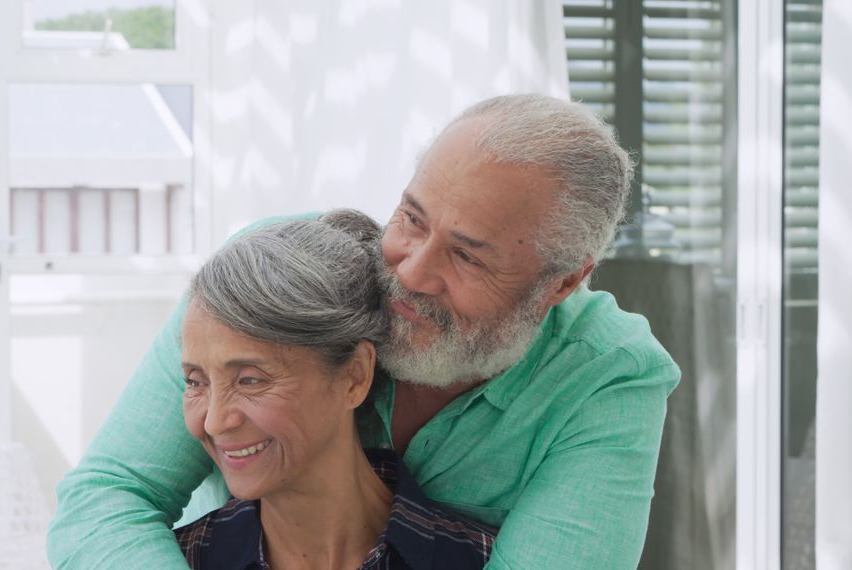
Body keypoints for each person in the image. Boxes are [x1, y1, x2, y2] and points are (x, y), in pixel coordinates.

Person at [47, 94, 681, 569]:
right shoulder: (280, 275)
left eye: (466, 256)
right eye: (411, 217)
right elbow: (109, 495)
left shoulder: (609, 377)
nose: (411, 270)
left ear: (563, 283)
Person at [174, 210, 497, 569]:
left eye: (250, 380)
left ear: (355, 376)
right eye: (195, 382)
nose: (216, 422)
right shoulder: (182, 558)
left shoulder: (482, 559)